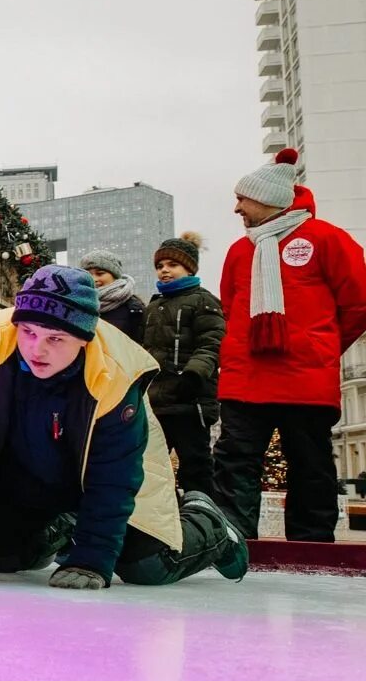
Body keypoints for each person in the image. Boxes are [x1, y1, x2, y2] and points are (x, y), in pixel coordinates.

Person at [0, 265, 248, 590]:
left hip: (111, 476)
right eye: (28, 332)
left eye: (56, 338)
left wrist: (91, 558)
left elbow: (115, 477)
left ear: (83, 339)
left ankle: (208, 524)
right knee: (7, 557)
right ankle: (63, 525)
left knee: (145, 565)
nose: (36, 348)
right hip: (29, 474)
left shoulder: (113, 375)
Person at [211, 149, 366, 542]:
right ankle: (233, 540)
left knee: (310, 462)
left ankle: (311, 544)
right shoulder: (239, 251)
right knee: (234, 461)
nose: (236, 209)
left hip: (305, 377)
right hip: (246, 378)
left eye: (242, 199)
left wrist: (323, 346)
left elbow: (358, 304)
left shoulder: (327, 239)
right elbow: (230, 308)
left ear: (267, 199)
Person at [142, 233, 224, 498]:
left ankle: (202, 513)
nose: (165, 270)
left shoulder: (204, 301)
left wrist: (194, 374)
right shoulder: (154, 306)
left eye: (172, 265)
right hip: (157, 400)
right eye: (160, 265)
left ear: (189, 267)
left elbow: (211, 343)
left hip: (191, 400)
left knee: (196, 464)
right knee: (151, 466)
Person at [80, 250, 145, 343]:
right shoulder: (75, 305)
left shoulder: (134, 309)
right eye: (88, 274)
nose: (94, 279)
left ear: (114, 275)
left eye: (100, 273)